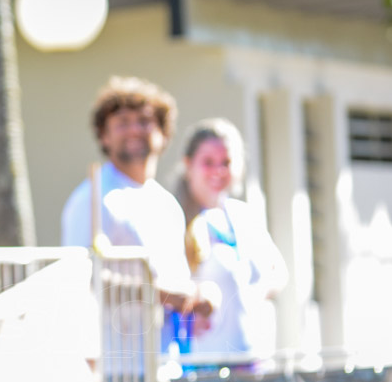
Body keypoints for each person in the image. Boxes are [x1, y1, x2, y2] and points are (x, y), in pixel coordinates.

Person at [61, 75, 216, 317]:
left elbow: (175, 281)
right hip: (116, 352)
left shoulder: (166, 203)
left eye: (144, 121)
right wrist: (160, 293)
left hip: (169, 351)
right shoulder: (93, 198)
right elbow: (79, 278)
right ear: (104, 135)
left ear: (163, 133)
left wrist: (198, 295)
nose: (134, 129)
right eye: (123, 122)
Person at [173, 118, 287, 358]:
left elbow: (279, 272)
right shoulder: (175, 218)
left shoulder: (242, 215)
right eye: (208, 162)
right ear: (188, 164)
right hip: (202, 367)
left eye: (226, 162)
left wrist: (248, 295)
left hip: (253, 358)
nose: (218, 171)